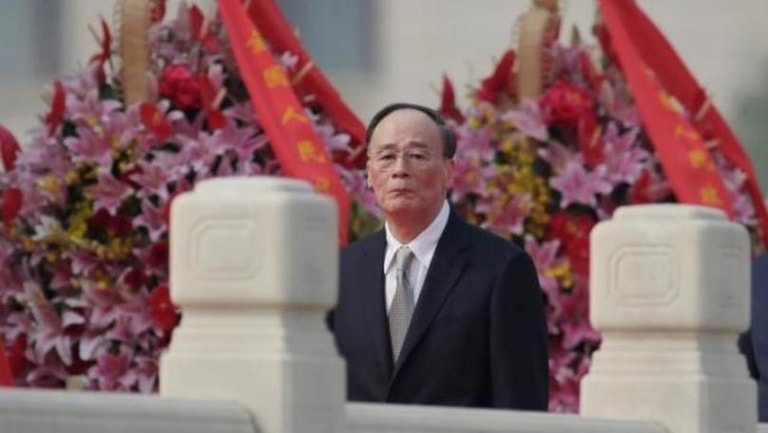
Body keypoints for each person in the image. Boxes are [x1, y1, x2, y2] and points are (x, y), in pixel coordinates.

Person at [329, 102, 549, 410]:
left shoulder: (501, 269)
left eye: (417, 156)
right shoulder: (342, 271)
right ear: (369, 174)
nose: (400, 169)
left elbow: (521, 406)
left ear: (448, 171)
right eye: (387, 157)